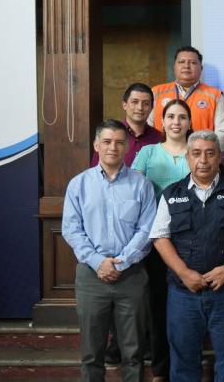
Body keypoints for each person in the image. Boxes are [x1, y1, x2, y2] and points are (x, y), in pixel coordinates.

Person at [149, 130, 224, 382]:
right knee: (184, 361)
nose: (203, 160)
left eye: (210, 154)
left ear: (220, 157)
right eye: (196, 154)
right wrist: (184, 273)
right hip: (183, 292)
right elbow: (160, 238)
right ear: (187, 157)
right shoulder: (171, 193)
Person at [62, 119, 157, 382]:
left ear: (127, 147)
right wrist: (98, 262)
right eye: (106, 141)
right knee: (92, 353)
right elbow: (72, 229)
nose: (112, 147)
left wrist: (122, 262)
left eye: (118, 142)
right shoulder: (78, 184)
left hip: (132, 277)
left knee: (133, 352)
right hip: (92, 277)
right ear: (96, 145)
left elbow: (146, 229)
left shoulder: (141, 184)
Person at [130, 99, 193, 381]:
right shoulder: (147, 153)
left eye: (182, 117)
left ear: (190, 122)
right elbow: (133, 196)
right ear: (162, 121)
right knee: (159, 307)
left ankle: (185, 368)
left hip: (192, 240)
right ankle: (160, 369)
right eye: (170, 116)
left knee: (188, 308)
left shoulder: (198, 152)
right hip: (156, 242)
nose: (176, 122)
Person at [148, 46, 224, 150]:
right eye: (181, 62)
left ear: (201, 68)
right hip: (162, 159)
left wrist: (204, 153)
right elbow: (147, 128)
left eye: (192, 63)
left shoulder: (215, 96)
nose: (186, 66)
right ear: (174, 66)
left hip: (200, 160)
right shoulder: (156, 93)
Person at [90, 83, 162, 167]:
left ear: (151, 108)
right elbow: (96, 173)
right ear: (124, 105)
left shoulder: (160, 139)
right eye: (134, 102)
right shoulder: (108, 136)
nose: (140, 108)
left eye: (145, 103)